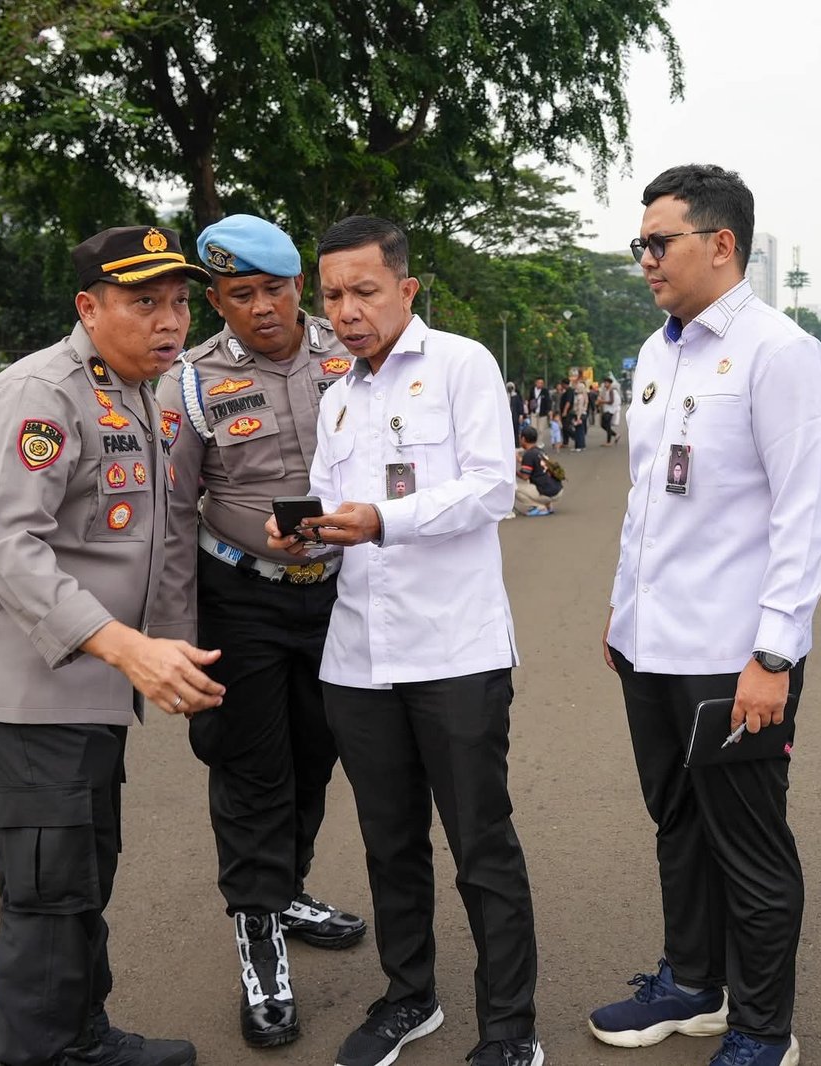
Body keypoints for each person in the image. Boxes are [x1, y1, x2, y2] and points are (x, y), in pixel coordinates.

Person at [0, 225, 225, 1066]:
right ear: (89, 308)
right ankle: (42, 1050)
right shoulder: (40, 396)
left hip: (86, 692)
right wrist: (129, 649)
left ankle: (80, 1035)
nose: (170, 321)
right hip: (18, 697)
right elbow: (7, 548)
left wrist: (171, 652)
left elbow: (151, 541)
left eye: (179, 302)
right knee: (48, 892)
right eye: (144, 302)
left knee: (82, 872)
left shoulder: (138, 392)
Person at [265, 215, 544, 1066]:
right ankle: (409, 996)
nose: (346, 311)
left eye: (365, 291)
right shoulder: (339, 395)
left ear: (407, 289)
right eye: (332, 295)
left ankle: (510, 1029)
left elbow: (491, 489)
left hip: (454, 651)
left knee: (481, 845)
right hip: (358, 657)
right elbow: (328, 503)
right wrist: (305, 535)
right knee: (389, 843)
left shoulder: (462, 364)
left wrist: (382, 519)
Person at [590, 164, 821, 1066]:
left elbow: (801, 516)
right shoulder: (658, 352)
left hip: (732, 654)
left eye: (660, 242)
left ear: (721, 243)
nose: (646, 259)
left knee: (749, 842)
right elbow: (648, 500)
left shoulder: (780, 352)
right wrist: (622, 611)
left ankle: (763, 1028)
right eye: (641, 244)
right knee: (677, 822)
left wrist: (773, 656)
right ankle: (694, 983)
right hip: (651, 642)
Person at [149, 214, 364, 1050]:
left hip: (339, 596)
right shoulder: (190, 382)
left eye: (275, 289)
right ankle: (260, 940)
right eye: (241, 294)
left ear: (299, 286)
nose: (263, 307)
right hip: (239, 600)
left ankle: (288, 889)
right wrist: (174, 636)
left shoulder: (352, 354)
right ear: (218, 300)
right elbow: (173, 513)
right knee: (252, 769)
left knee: (317, 754)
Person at [514, 425, 562, 516]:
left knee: (514, 489)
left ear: (523, 439)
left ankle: (540, 507)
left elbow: (525, 476)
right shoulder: (540, 451)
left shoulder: (528, 455)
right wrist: (520, 460)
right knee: (539, 480)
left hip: (547, 491)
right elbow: (535, 464)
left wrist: (513, 472)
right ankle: (548, 505)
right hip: (557, 489)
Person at [599, 374, 622, 445]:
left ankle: (608, 441)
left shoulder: (611, 391)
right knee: (603, 425)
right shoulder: (606, 390)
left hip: (610, 410)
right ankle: (616, 435)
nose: (605, 384)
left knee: (607, 425)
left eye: (606, 383)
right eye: (604, 383)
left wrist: (602, 401)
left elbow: (611, 401)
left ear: (609, 383)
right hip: (606, 410)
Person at [529, 377, 551, 442]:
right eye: (539, 383)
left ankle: (539, 443)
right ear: (536, 383)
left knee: (541, 430)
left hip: (542, 413)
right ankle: (533, 442)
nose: (540, 384)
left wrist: (549, 410)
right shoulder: (532, 390)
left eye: (542, 383)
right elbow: (530, 400)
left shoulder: (545, 391)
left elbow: (548, 401)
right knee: (533, 429)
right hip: (534, 412)